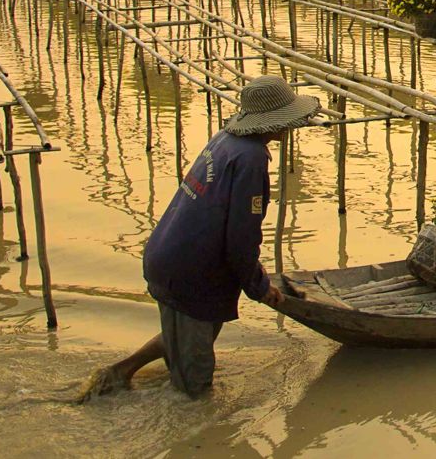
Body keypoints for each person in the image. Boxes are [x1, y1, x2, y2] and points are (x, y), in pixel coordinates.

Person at [77, 75, 319, 401]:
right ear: (274, 121)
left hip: (168, 254)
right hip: (192, 272)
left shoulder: (225, 139)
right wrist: (259, 288)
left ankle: (119, 373)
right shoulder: (251, 158)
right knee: (195, 394)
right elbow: (241, 240)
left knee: (187, 332)